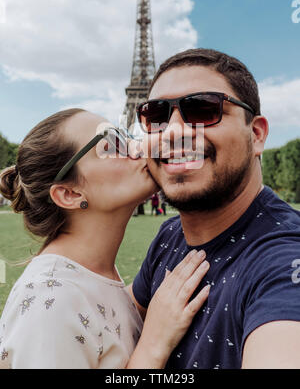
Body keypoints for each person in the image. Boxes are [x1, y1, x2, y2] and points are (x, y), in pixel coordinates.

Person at [129, 48, 300, 369]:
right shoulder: (170, 234)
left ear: (257, 134)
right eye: (155, 115)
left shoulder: (285, 263)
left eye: (204, 110)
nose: (174, 131)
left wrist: (147, 354)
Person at [0, 108, 210, 369]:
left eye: (125, 136)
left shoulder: (93, 276)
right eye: (111, 144)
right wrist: (153, 344)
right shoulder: (51, 302)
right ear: (69, 193)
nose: (138, 146)